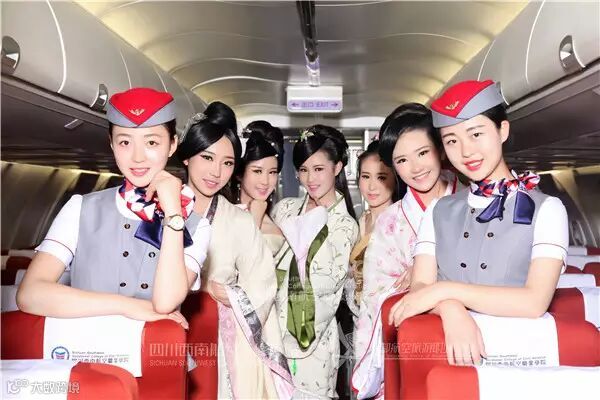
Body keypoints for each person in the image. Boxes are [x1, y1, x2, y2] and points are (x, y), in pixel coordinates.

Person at [388, 80, 568, 367]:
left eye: (475, 134)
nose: (466, 151)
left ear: (502, 130)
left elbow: (534, 302)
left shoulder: (548, 210)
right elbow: (420, 286)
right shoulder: (438, 210)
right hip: (446, 356)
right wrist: (451, 309)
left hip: (521, 360)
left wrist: (445, 290)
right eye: (451, 141)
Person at [17, 87, 210, 329]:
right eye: (125, 142)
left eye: (151, 142)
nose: (137, 157)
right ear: (111, 144)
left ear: (172, 145)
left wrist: (172, 212)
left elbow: (165, 302)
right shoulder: (79, 209)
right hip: (82, 347)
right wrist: (127, 306)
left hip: (153, 351)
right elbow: (30, 294)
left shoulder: (197, 225)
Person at [177, 103, 293, 399]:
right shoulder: (159, 207)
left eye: (227, 163)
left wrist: (232, 295)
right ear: (187, 156)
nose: (216, 172)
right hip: (166, 327)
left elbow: (263, 282)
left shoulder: (240, 221)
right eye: (207, 157)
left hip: (220, 334)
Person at [352, 103, 460, 398]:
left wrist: (426, 270)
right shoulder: (391, 222)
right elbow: (374, 300)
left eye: (422, 153)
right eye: (402, 160)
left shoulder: (473, 200)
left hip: (471, 334)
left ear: (440, 149)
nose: (415, 168)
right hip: (411, 345)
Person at [272, 125, 359, 399]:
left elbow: (326, 285)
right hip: (270, 335)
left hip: (313, 341)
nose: (310, 178)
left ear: (337, 167)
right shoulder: (285, 209)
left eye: (319, 169)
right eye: (303, 169)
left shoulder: (344, 225)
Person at [233, 120, 286, 256]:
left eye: (272, 172)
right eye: (257, 171)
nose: (265, 181)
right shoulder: (223, 213)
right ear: (239, 174)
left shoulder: (279, 221)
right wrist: (255, 219)